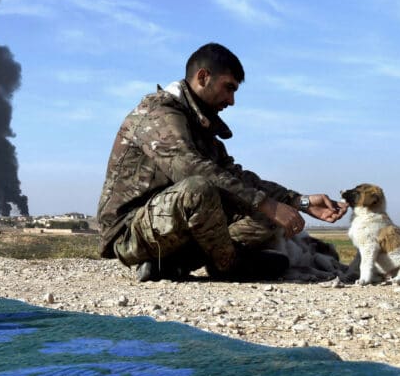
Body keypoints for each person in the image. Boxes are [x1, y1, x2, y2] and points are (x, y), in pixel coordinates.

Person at [96, 42, 346, 282]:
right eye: (229, 88)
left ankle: (173, 263)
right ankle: (228, 265)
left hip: (173, 225)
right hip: (131, 232)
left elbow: (236, 177)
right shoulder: (157, 114)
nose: (231, 100)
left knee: (269, 214)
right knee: (199, 189)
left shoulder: (201, 124)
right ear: (203, 77)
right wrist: (266, 204)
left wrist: (297, 201)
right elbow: (191, 170)